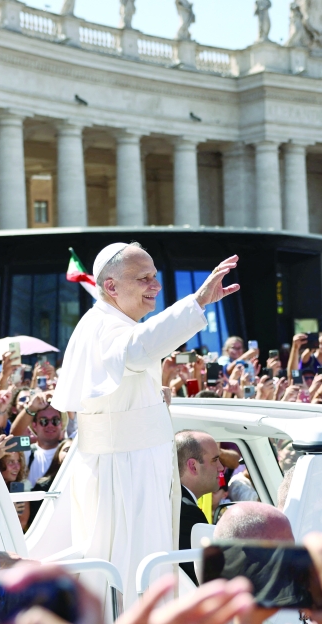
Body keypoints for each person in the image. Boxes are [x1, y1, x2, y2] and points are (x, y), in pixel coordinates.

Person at [51, 243, 239, 603]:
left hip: (133, 468)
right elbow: (137, 352)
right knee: (133, 574)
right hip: (126, 478)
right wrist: (197, 302)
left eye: (155, 276)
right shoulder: (106, 326)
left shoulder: (111, 322)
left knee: (145, 569)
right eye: (144, 278)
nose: (155, 285)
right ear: (111, 287)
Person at [175, 430, 224, 584]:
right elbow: (200, 579)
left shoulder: (175, 503)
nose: (221, 467)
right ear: (193, 466)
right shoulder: (187, 512)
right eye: (215, 460)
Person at [11, 392, 68, 486]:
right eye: (44, 421)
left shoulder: (69, 450)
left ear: (61, 424)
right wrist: (31, 408)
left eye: (55, 420)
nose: (50, 425)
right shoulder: (28, 452)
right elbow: (13, 437)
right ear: (35, 425)